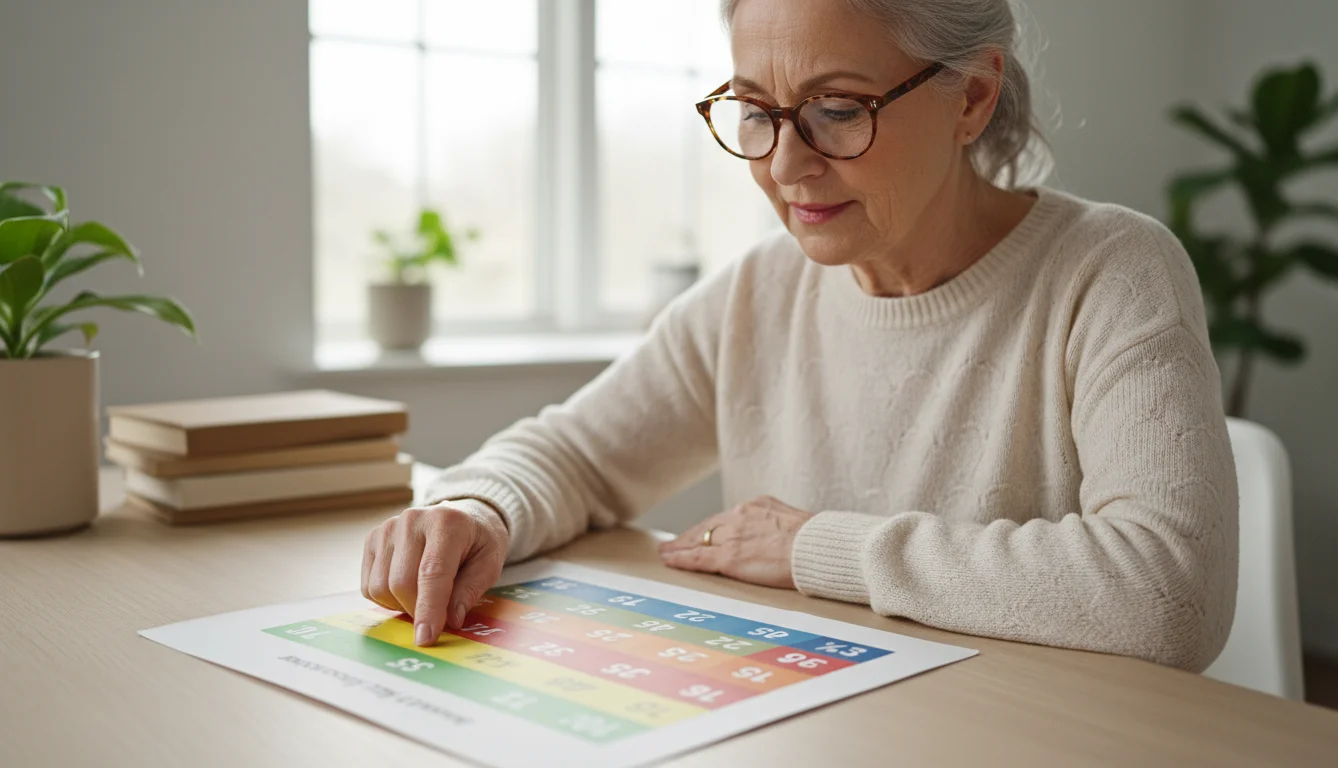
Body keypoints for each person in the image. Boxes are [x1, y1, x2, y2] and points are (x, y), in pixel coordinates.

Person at [360, 0, 1238, 672]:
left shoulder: (1110, 271)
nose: (784, 165)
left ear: (972, 96)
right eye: (755, 110)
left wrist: (814, 546)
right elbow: (578, 457)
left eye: (839, 108)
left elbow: (1167, 592)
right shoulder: (759, 293)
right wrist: (473, 508)